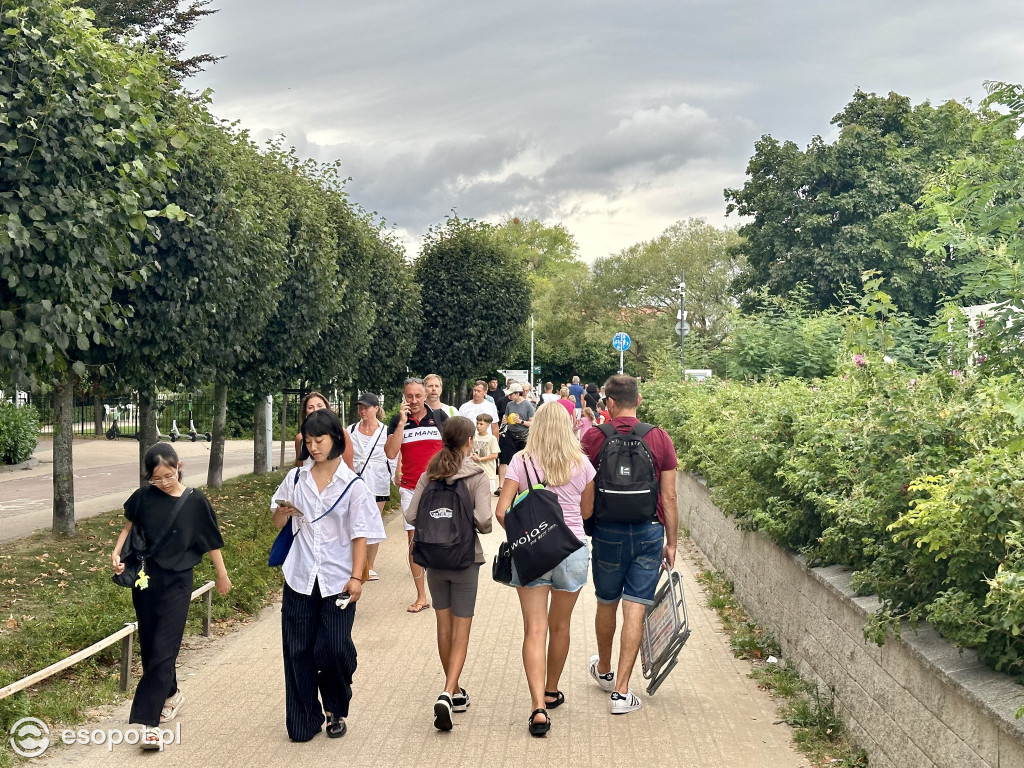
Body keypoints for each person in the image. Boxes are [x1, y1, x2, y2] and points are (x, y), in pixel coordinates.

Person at [270, 409, 386, 741]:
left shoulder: (353, 486)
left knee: (334, 648)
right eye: (308, 441)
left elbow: (360, 534)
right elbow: (278, 523)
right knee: (298, 649)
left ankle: (336, 706)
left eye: (319, 439)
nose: (314, 447)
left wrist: (356, 577)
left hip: (338, 578)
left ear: (335, 437)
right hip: (300, 575)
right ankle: (305, 718)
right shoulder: (296, 478)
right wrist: (283, 511)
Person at [111, 443, 231, 750]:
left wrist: (222, 575)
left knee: (165, 649)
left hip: (178, 582)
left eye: (168, 475)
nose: (164, 482)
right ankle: (171, 693)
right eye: (156, 478)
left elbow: (210, 542)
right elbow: (128, 528)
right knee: (151, 648)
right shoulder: (142, 497)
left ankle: (148, 725)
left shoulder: (195, 501)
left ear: (179, 466)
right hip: (146, 579)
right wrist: (116, 552)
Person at [581, 374, 678, 715]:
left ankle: (605, 672)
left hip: (606, 531)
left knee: (606, 602)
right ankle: (621, 693)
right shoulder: (659, 437)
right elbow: (668, 495)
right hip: (649, 532)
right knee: (634, 606)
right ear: (638, 400)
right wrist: (672, 541)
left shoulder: (593, 437)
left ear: (607, 403)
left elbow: (582, 489)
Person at [496, 403, 594, 736]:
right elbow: (587, 510)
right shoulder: (582, 464)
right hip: (571, 550)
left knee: (534, 630)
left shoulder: (520, 462)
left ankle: (538, 708)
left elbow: (501, 512)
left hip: (534, 553)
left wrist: (526, 529)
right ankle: (552, 691)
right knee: (561, 625)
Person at [403, 416, 492, 731]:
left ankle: (454, 691)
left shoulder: (430, 474)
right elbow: (484, 521)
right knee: (462, 629)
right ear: (469, 442)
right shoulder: (477, 475)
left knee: (444, 624)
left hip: (434, 560)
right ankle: (447, 691)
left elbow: (411, 514)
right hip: (465, 559)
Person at [384, 377, 448, 612]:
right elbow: (391, 453)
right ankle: (421, 596)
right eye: (409, 396)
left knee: (440, 540)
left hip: (438, 489)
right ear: (404, 396)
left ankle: (443, 591)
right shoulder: (397, 421)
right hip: (410, 489)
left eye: (417, 396)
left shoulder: (440, 418)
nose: (413, 401)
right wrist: (401, 423)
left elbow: (453, 451)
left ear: (425, 396)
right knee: (414, 543)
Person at [348, 392, 390, 581]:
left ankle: (370, 565)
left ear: (376, 408)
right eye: (360, 407)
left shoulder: (385, 431)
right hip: (356, 480)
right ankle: (357, 564)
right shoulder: (350, 430)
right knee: (356, 522)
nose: (362, 410)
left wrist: (397, 475)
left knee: (374, 522)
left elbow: (393, 455)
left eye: (366, 407)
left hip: (378, 480)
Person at [294, 391, 353, 471]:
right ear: (305, 413)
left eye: (319, 406)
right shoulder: (300, 438)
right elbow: (299, 468)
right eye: (310, 407)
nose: (315, 410)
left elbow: (349, 467)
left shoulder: (341, 433)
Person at [497, 382, 535, 495]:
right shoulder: (510, 405)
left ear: (517, 393)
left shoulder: (528, 405)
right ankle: (501, 486)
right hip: (510, 434)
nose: (509, 396)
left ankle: (524, 485)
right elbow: (506, 417)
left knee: (524, 462)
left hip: (523, 436)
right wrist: (505, 421)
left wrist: (521, 422)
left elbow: (532, 423)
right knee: (504, 459)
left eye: (511, 394)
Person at [472, 413, 500, 492]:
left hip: (488, 472)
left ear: (487, 425)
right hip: (475, 471)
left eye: (481, 424)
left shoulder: (492, 438)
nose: (478, 426)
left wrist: (480, 459)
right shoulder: (473, 437)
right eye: (477, 423)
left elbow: (495, 455)